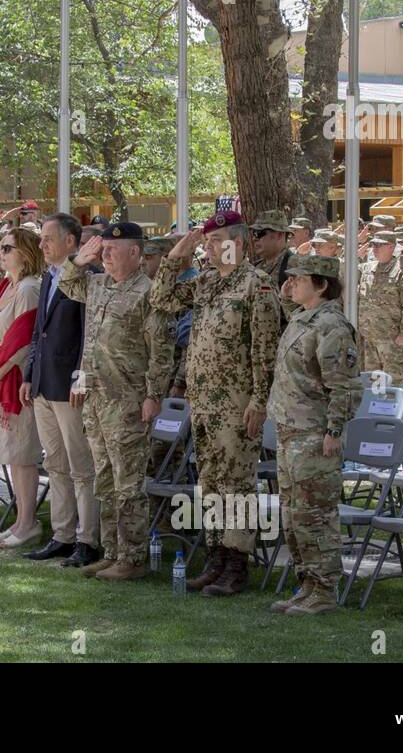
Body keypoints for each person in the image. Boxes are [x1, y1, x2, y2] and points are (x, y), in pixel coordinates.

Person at [151, 212, 280, 597]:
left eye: (215, 239)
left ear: (238, 242)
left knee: (236, 485)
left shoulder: (256, 286)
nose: (208, 246)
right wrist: (179, 254)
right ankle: (216, 559)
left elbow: (265, 349)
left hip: (238, 402)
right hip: (204, 402)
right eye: (205, 241)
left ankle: (237, 564)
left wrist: (259, 401)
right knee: (211, 485)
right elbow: (160, 297)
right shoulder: (206, 281)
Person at [59, 222, 169, 580]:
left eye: (112, 248)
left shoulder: (149, 293)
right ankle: (112, 550)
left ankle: (132, 556)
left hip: (129, 401)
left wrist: (153, 396)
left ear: (135, 253)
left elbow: (161, 353)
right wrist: (80, 258)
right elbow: (66, 283)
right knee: (105, 480)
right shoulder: (98, 284)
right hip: (96, 399)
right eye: (102, 248)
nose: (104, 253)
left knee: (128, 483)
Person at [268, 254, 359, 615]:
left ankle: (323, 589)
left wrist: (334, 429)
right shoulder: (301, 319)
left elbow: (345, 386)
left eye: (299, 278)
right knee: (293, 514)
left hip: (314, 432)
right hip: (291, 430)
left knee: (315, 513)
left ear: (321, 284)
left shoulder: (332, 326)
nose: (290, 284)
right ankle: (306, 584)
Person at [20, 213, 101, 567]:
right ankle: (62, 535)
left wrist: (81, 378)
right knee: (55, 464)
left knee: (81, 466)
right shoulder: (47, 277)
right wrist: (28, 375)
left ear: (71, 241)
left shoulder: (88, 277)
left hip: (71, 386)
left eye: (48, 238)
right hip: (42, 384)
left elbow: (89, 335)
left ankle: (88, 539)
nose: (42, 245)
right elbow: (39, 332)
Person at [0, 228, 44, 549]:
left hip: (13, 378)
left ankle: (29, 521)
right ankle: (21, 520)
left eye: (9, 248)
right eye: (1, 248)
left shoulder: (29, 289)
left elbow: (24, 342)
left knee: (22, 454)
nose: (1, 253)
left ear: (26, 254)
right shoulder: (9, 285)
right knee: (11, 456)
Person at [357, 231, 403, 380]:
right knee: (373, 381)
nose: (374, 249)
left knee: (394, 380)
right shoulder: (367, 269)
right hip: (369, 336)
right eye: (373, 245)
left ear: (391, 246)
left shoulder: (401, 271)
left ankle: (398, 404)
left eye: (379, 245)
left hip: (391, 338)